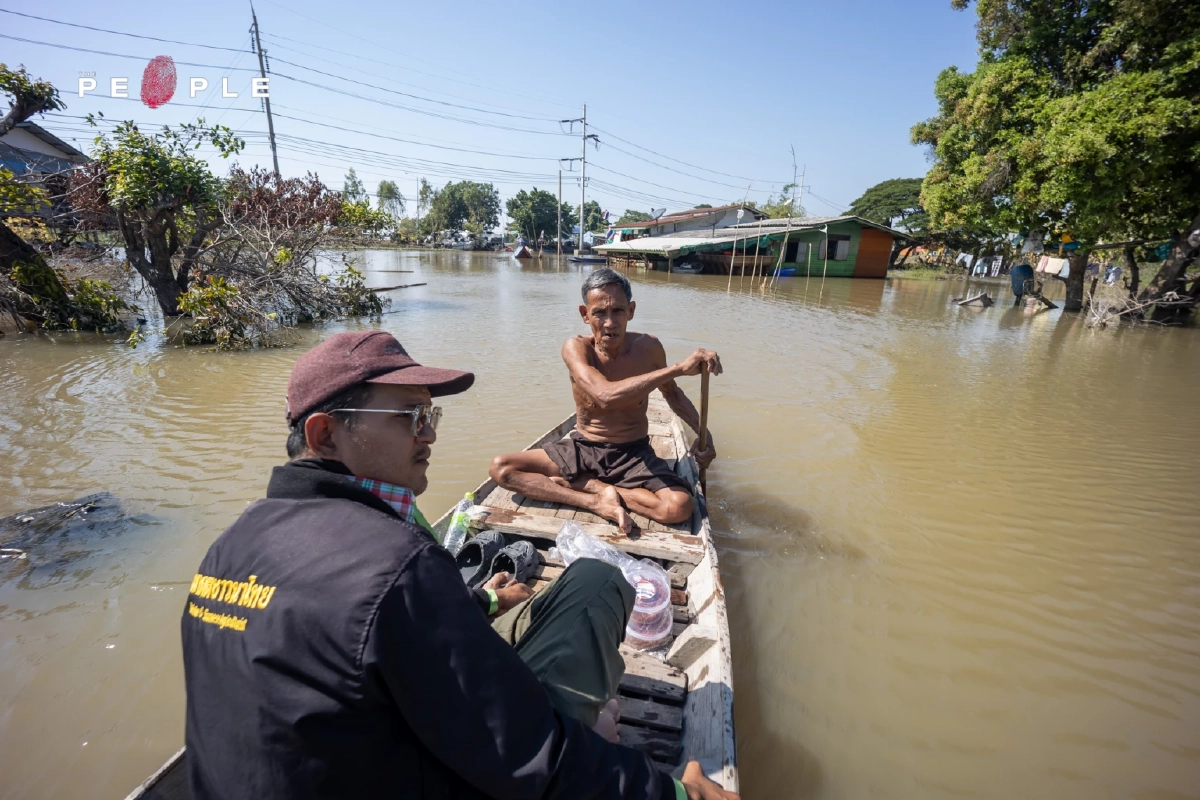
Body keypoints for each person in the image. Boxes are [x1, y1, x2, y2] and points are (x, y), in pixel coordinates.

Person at [180, 330, 737, 800]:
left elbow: (361, 640)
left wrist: (484, 600)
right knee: (597, 591)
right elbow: (525, 754)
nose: (430, 433)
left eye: (430, 413)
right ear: (325, 433)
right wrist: (673, 793)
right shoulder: (395, 564)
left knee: (588, 579)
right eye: (408, 417)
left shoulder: (228, 546)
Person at [490, 269, 721, 534]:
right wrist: (679, 367)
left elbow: (673, 394)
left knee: (679, 507)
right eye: (599, 313)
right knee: (501, 468)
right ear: (585, 314)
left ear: (631, 311)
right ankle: (594, 497)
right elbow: (604, 395)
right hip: (585, 447)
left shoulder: (649, 348)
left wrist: (706, 435)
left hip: (634, 453)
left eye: (618, 311)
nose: (609, 323)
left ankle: (601, 488)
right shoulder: (576, 348)